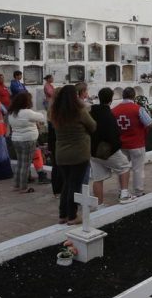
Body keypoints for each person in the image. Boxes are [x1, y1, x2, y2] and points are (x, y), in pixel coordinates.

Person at [51, 85, 96, 224]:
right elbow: (93, 126)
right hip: (79, 153)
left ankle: (62, 215)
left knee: (67, 184)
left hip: (62, 154)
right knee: (75, 185)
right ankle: (72, 216)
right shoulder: (79, 111)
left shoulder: (56, 112)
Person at [89, 88, 132, 205]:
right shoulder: (108, 114)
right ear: (111, 99)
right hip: (106, 149)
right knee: (124, 167)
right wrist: (116, 146)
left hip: (92, 150)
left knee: (98, 178)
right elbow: (113, 135)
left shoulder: (91, 112)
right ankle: (124, 195)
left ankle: (99, 205)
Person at [112, 87, 152, 199]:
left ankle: (121, 190)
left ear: (123, 96)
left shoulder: (114, 110)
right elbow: (149, 123)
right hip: (137, 144)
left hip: (121, 145)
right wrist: (144, 133)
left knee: (121, 169)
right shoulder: (138, 109)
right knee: (138, 169)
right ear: (133, 96)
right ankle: (138, 191)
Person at [8, 92, 46, 193]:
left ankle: (16, 185)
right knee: (26, 164)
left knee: (20, 163)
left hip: (16, 140)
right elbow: (42, 117)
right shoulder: (27, 112)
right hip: (28, 140)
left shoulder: (12, 112)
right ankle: (23, 187)